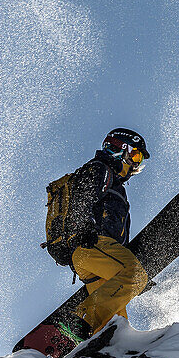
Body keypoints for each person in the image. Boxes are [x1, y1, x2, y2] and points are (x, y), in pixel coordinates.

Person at [60, 128, 150, 343]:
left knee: (114, 321)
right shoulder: (100, 169)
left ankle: (100, 347)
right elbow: (82, 197)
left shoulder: (111, 180)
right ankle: (81, 318)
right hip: (92, 244)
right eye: (135, 156)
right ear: (122, 150)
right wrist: (83, 229)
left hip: (90, 256)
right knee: (136, 275)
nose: (136, 164)